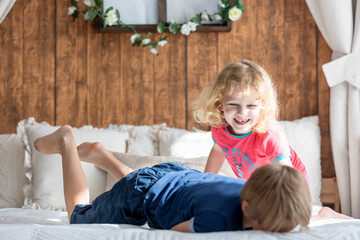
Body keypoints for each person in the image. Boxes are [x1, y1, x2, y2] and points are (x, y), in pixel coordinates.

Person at [33, 125, 315, 233]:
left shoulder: (252, 191)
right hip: (143, 194)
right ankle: (66, 143)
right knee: (77, 218)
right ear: (246, 211)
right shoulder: (216, 218)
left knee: (155, 190)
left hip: (175, 175)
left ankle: (104, 157)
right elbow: (174, 230)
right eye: (271, 230)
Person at [193, 60, 309, 182]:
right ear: (221, 103)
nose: (242, 113)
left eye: (251, 106)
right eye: (233, 104)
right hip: (256, 186)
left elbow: (287, 175)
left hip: (291, 185)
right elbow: (218, 150)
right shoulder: (220, 128)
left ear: (262, 105)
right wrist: (205, 181)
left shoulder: (270, 135)